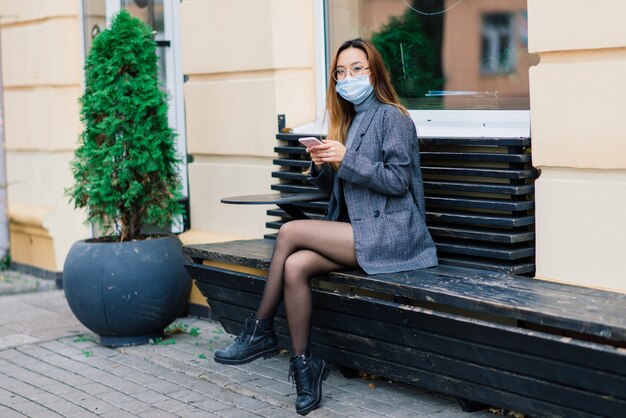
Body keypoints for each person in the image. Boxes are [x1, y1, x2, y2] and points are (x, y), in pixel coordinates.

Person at [213, 38, 438, 416]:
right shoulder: (349, 121)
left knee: (290, 232)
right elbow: (340, 192)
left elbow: (398, 182)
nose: (348, 77)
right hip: (360, 233)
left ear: (374, 72)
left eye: (357, 68)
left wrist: (347, 158)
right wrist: (322, 165)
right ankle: (305, 365)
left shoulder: (393, 117)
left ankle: (259, 329)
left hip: (395, 236)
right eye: (340, 71)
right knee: (295, 265)